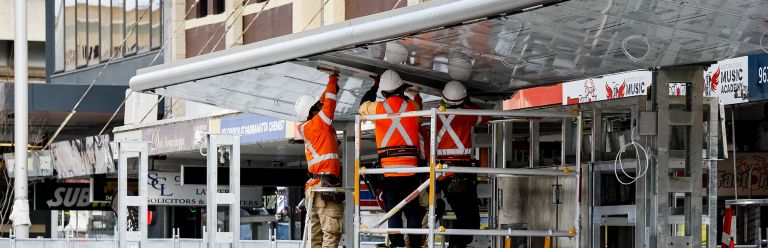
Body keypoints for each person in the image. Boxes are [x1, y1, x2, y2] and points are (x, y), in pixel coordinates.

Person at [359, 70, 424, 248]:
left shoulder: (377, 108)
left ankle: (397, 244)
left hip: (388, 171)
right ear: (401, 88)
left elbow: (363, 104)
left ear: (383, 93)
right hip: (412, 169)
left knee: (393, 212)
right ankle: (416, 243)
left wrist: (374, 85)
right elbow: (418, 106)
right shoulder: (412, 107)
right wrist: (414, 94)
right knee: (412, 211)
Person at [435, 80, 489, 248]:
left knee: (467, 218)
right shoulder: (468, 114)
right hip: (460, 174)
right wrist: (469, 104)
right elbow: (487, 116)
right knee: (470, 219)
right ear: (463, 100)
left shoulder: (435, 114)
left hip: (444, 174)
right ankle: (457, 245)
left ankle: (458, 244)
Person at [295, 72, 343, 248]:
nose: (320, 107)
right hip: (324, 186)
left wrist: (331, 88)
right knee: (331, 232)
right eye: (317, 107)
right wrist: (333, 78)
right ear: (313, 111)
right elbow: (328, 105)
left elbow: (323, 101)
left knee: (315, 236)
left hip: (315, 187)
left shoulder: (310, 127)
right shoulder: (318, 124)